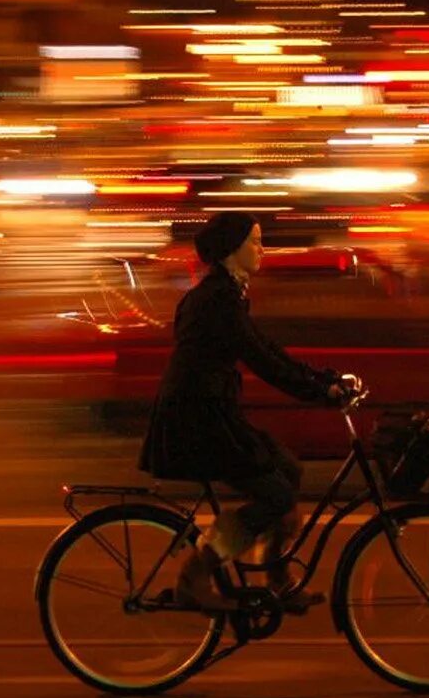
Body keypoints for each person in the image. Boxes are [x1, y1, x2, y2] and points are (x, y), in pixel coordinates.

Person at [139, 210, 347, 612]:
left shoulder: (225, 292)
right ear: (232, 250)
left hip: (210, 412)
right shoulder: (217, 300)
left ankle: (276, 581)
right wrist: (319, 393)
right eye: (254, 241)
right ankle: (194, 577)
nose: (261, 248)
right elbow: (262, 361)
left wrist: (323, 380)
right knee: (275, 494)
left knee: (288, 470)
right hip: (196, 420)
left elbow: (266, 348)